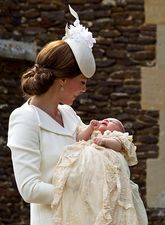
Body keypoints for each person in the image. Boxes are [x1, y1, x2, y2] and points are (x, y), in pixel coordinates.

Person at [7, 5, 97, 225]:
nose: (84, 89)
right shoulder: (25, 118)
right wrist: (78, 189)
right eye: (82, 82)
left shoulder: (68, 113)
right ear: (63, 80)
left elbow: (90, 150)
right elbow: (29, 188)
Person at [51, 118, 148, 225]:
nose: (106, 120)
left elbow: (118, 145)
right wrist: (90, 128)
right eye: (104, 119)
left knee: (108, 197)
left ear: (119, 131)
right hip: (86, 171)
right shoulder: (91, 133)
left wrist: (105, 141)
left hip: (105, 170)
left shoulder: (115, 137)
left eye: (113, 122)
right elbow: (78, 139)